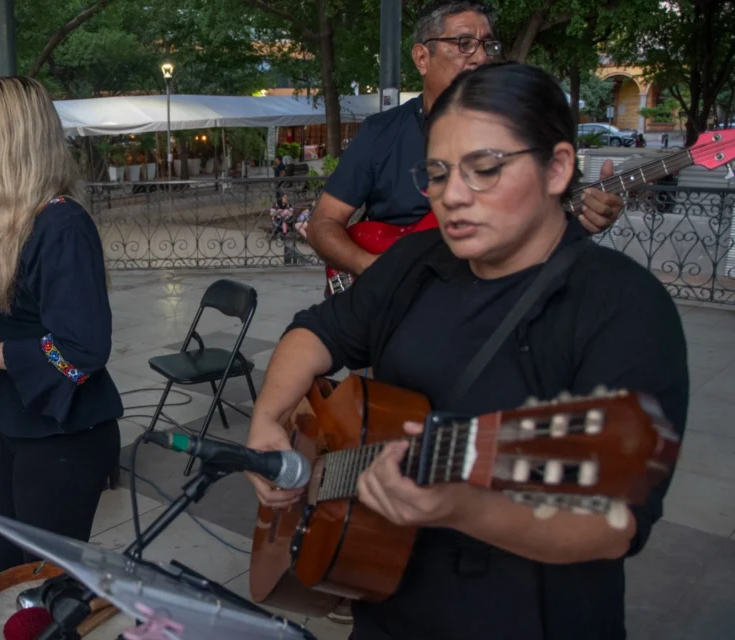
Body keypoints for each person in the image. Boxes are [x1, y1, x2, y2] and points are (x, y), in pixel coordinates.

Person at [246, 62, 688, 639]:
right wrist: (268, 417)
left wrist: (461, 507)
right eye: (436, 173)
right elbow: (319, 330)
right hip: (386, 603)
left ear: (557, 168)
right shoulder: (416, 261)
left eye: (483, 170)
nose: (452, 196)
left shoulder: (621, 306)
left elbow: (615, 524)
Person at [303, 0, 625, 285]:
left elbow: (541, 226)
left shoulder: (522, 129)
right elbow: (322, 225)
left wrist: (587, 218)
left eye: (487, 45)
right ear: (421, 57)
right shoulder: (380, 133)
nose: (480, 58)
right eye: (463, 43)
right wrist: (376, 270)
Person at [0, 76, 123, 573]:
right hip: (12, 427)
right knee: (8, 568)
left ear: (11, 138)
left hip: (64, 436)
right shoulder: (6, 218)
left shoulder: (62, 225)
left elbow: (82, 349)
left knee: (45, 586)